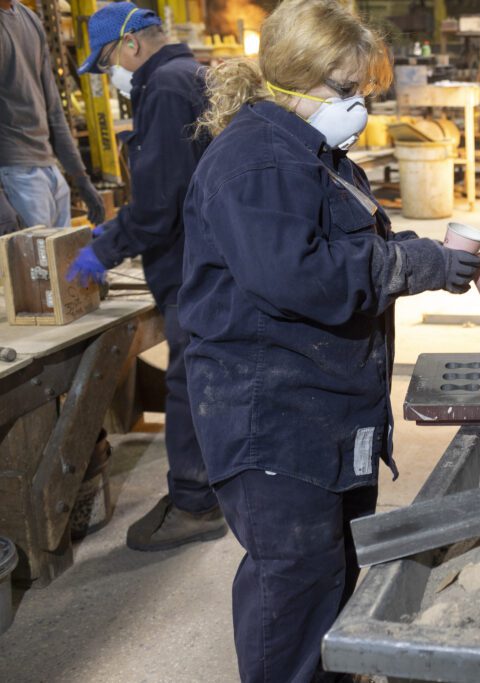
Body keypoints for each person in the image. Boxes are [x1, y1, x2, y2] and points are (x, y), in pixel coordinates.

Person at [180, 0, 480, 679]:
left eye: (362, 91)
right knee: (295, 589)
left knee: (338, 572)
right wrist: (422, 264)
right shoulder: (254, 163)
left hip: (329, 413)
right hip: (275, 422)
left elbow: (354, 248)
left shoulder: (319, 156)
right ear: (291, 79)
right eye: (344, 91)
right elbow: (303, 276)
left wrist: (442, 258)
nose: (358, 107)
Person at [69, 2, 224, 551]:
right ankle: (204, 490)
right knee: (204, 379)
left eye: (109, 59)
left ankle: (196, 503)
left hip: (192, 266)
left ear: (131, 44)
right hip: (209, 257)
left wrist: (103, 248)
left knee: (189, 385)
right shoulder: (192, 73)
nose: (112, 71)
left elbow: (159, 205)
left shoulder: (162, 88)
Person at [0, 0, 105, 228]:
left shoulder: (30, 19)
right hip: (14, 171)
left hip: (49, 169)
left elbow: (54, 108)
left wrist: (80, 178)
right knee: (34, 263)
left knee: (58, 259)